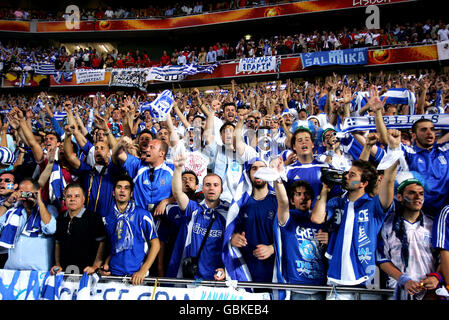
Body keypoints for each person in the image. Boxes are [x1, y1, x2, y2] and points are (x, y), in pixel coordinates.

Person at [311, 129, 400, 298]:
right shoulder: (337, 202)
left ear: (363, 183)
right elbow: (316, 218)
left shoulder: (374, 205)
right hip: (337, 278)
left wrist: (394, 149)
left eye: (350, 175)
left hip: (367, 280)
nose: (345, 177)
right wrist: (324, 190)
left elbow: (388, 180)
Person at [272, 157, 329, 300]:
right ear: (292, 200)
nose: (303, 198)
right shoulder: (288, 218)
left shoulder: (321, 219)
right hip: (297, 287)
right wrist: (277, 178)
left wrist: (330, 239)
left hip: (321, 286)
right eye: (298, 194)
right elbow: (282, 202)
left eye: (306, 195)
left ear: (312, 199)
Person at [377, 176, 440, 300]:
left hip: (428, 292)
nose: (418, 197)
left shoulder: (433, 225)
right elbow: (382, 259)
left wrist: (436, 277)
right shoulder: (387, 224)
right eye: (412, 193)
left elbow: (442, 258)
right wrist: (403, 280)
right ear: (399, 197)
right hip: (397, 291)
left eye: (421, 194)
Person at [167, 153, 227, 281]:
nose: (211, 188)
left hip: (217, 277)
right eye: (208, 185)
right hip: (192, 277)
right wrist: (178, 168)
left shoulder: (228, 213)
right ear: (202, 189)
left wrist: (227, 269)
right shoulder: (194, 208)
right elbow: (178, 193)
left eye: (216, 185)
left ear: (221, 190)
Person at [100, 175, 160, 285]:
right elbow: (111, 245)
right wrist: (105, 263)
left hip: (137, 276)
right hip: (113, 276)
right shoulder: (107, 218)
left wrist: (143, 270)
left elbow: (156, 245)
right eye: (119, 187)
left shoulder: (143, 215)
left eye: (126, 188)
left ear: (131, 193)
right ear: (113, 192)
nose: (122, 190)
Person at [230, 158, 276, 283]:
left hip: (275, 271)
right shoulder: (240, 203)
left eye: (262, 168)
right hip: (246, 272)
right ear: (248, 174)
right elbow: (232, 230)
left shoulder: (278, 202)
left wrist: (272, 248)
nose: (258, 171)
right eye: (254, 168)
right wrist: (233, 238)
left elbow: (288, 234)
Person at [0, 178, 58, 271]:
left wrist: (39, 201)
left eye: (28, 193)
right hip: (11, 271)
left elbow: (50, 228)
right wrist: (8, 202)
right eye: (22, 193)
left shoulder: (49, 209)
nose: (25, 196)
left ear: (37, 192)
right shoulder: (14, 212)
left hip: (37, 273)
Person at [51, 182, 107, 275]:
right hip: (65, 271)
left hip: (86, 271)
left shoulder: (93, 218)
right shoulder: (60, 218)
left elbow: (102, 242)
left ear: (83, 199)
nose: (72, 199)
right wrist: (57, 264)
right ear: (65, 199)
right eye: (69, 196)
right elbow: (58, 243)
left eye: (77, 196)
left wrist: (95, 266)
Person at [112, 137, 174, 213]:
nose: (147, 149)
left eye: (151, 147)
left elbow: (181, 194)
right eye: (147, 147)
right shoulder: (137, 165)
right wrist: (121, 143)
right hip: (138, 217)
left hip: (163, 218)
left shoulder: (172, 170)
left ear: (161, 153)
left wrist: (166, 202)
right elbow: (119, 154)